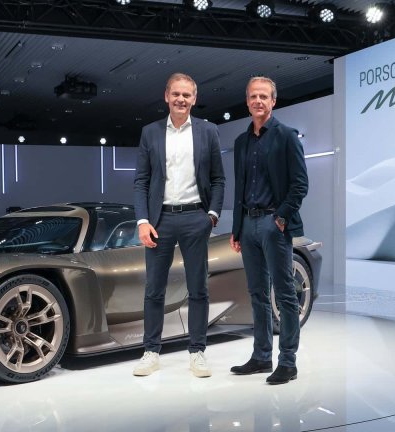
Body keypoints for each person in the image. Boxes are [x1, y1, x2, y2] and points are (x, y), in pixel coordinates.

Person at [132, 72, 225, 378]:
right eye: (176, 94)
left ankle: (197, 352)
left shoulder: (208, 131)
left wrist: (211, 216)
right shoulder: (150, 133)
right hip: (159, 221)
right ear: (166, 96)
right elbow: (141, 181)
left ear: (194, 99)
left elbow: (218, 179)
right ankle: (151, 352)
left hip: (196, 218)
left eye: (186, 95)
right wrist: (143, 221)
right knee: (154, 290)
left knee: (198, 289)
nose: (181, 99)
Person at [229, 76, 308, 385]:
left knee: (285, 294)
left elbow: (300, 184)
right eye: (253, 96)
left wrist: (281, 217)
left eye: (264, 96)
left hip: (274, 224)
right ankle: (261, 356)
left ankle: (288, 361)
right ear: (247, 101)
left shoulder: (287, 136)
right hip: (248, 224)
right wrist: (237, 227)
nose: (258, 101)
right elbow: (240, 188)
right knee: (257, 293)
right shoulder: (241, 142)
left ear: (273, 101)